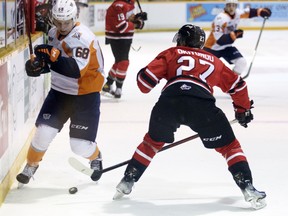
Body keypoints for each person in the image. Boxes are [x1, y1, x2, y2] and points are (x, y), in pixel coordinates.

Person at [113, 24, 266, 210]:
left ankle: (127, 180)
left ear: (182, 40)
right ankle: (247, 187)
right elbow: (238, 85)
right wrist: (242, 111)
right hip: (202, 106)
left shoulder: (172, 53)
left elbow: (144, 84)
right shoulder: (213, 59)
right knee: (229, 147)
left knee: (151, 143)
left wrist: (143, 73)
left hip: (169, 104)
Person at [16, 0, 104, 185]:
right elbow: (52, 63)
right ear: (53, 19)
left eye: (67, 22)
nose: (62, 27)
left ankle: (95, 156)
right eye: (58, 22)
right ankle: (31, 165)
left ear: (74, 18)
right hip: (59, 93)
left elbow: (75, 70)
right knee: (43, 132)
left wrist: (51, 55)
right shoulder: (52, 33)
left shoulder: (83, 38)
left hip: (85, 96)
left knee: (79, 147)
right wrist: (38, 67)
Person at [204, 0, 272, 75]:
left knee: (241, 62)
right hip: (212, 48)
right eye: (229, 5)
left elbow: (250, 12)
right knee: (204, 70)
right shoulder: (221, 18)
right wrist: (234, 35)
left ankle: (231, 82)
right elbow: (219, 40)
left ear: (236, 6)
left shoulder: (238, 13)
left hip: (226, 47)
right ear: (225, 6)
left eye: (233, 5)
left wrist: (262, 11)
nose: (231, 8)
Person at [102, 0, 147, 98]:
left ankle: (108, 84)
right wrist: (137, 23)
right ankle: (118, 88)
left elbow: (129, 21)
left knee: (119, 62)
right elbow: (121, 26)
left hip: (125, 38)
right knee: (124, 62)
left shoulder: (129, 4)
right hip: (117, 38)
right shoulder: (118, 5)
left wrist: (137, 18)